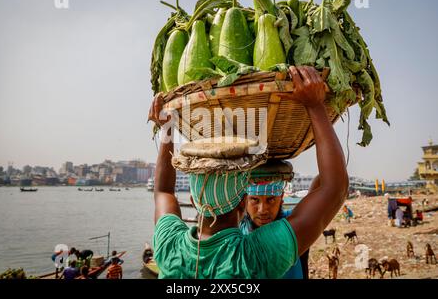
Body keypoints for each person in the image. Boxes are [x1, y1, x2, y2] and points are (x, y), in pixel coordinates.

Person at [148, 66, 349, 278]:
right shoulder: (251, 257)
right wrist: (315, 106)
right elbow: (334, 188)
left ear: (193, 198)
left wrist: (167, 128)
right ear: (243, 203)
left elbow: (162, 191)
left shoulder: (169, 245)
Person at [240, 164, 315, 279]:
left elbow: (324, 189)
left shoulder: (294, 223)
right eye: (254, 200)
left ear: (281, 198)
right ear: (245, 200)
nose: (262, 210)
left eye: (271, 200)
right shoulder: (236, 234)